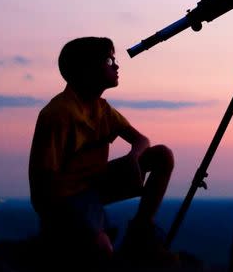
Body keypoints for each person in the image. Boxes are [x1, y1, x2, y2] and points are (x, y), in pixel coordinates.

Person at [28, 37, 175, 266]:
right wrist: (74, 222)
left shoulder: (101, 108)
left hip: (94, 183)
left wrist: (133, 157)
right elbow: (44, 184)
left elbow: (141, 140)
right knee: (101, 249)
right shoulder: (58, 114)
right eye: (109, 60)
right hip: (66, 197)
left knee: (161, 156)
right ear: (87, 69)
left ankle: (140, 230)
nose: (116, 66)